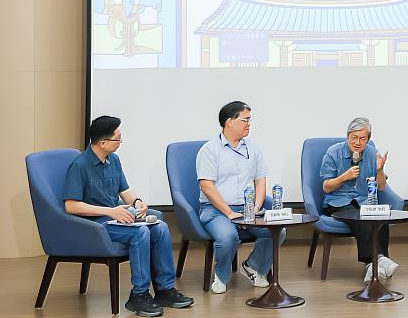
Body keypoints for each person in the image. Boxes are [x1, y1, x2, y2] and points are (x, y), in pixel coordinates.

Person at [63, 116, 194, 317]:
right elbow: (71, 206)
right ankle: (139, 296)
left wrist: (137, 202)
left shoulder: (113, 160)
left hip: (117, 218)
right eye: (118, 139)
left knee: (159, 227)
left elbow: (125, 191)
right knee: (140, 233)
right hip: (96, 225)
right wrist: (109, 211)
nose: (120, 143)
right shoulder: (80, 166)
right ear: (102, 142)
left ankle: (164, 290)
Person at [197, 101, 285, 294]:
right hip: (216, 210)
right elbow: (206, 186)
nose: (249, 124)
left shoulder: (253, 148)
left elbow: (260, 179)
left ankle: (254, 266)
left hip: (247, 208)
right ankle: (221, 276)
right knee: (228, 236)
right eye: (245, 119)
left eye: (249, 120)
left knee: (277, 231)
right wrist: (228, 213)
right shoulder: (210, 150)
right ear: (229, 122)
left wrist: (256, 206)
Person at [320, 117, 398, 282]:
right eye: (353, 137)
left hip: (364, 202)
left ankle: (374, 266)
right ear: (347, 136)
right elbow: (326, 187)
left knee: (380, 219)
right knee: (359, 218)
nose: (357, 142)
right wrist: (344, 177)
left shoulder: (371, 153)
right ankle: (377, 261)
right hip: (337, 202)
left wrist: (380, 170)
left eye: (362, 139)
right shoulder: (333, 152)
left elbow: (382, 187)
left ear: (368, 140)